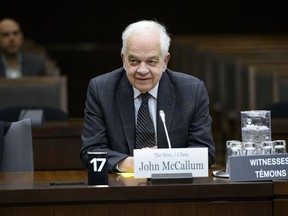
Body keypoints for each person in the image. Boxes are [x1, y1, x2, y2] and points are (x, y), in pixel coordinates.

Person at [80, 20, 215, 173]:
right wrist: (133, 164)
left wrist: (157, 163)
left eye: (151, 61)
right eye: (134, 61)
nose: (142, 70)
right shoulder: (101, 89)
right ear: (123, 60)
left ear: (165, 61)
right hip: (121, 189)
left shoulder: (192, 91)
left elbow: (205, 153)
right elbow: (91, 152)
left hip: (175, 189)